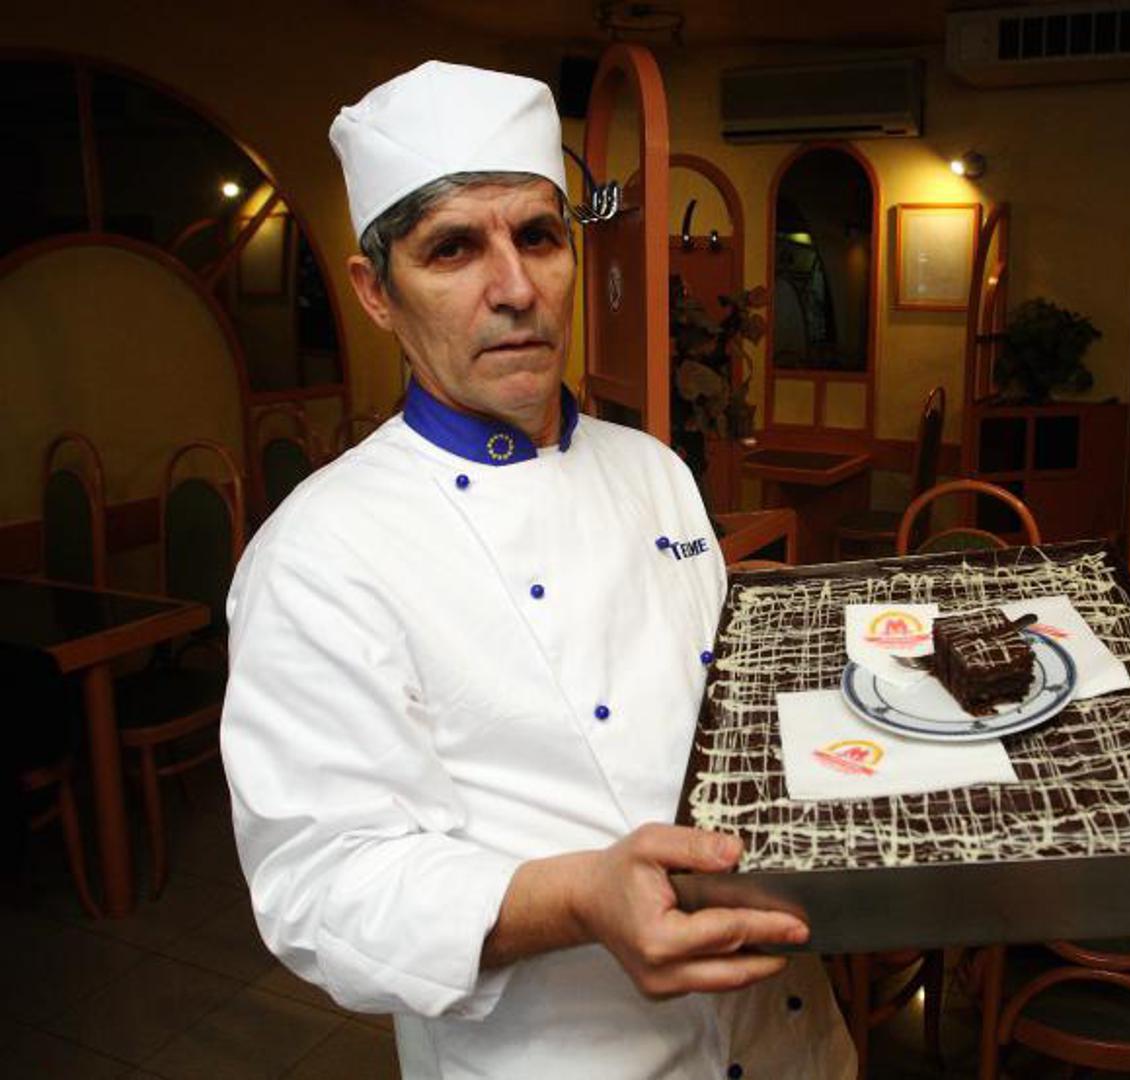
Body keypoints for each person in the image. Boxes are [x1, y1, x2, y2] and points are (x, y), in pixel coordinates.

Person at [221, 61, 854, 1079]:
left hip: (787, 1036)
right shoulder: (318, 553)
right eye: (453, 248)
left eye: (538, 236)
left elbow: (729, 719)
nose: (514, 289)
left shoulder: (653, 470)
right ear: (376, 292)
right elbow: (322, 888)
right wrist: (575, 899)